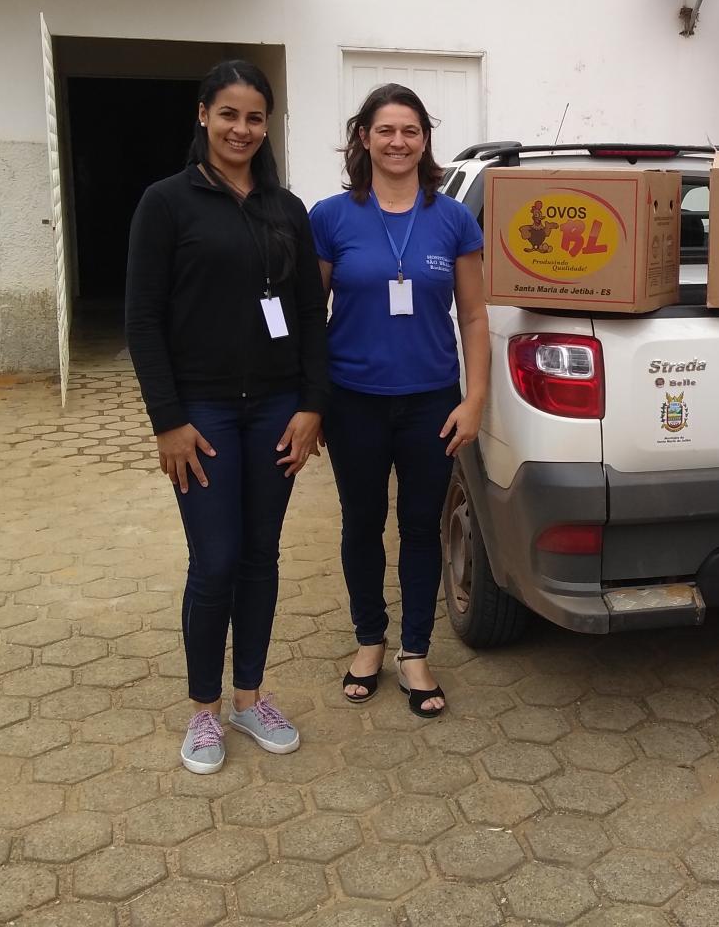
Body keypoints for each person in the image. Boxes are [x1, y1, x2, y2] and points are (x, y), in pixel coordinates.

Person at [125, 60, 328, 774]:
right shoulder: (166, 203)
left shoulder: (287, 209)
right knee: (214, 562)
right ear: (204, 115)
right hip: (203, 414)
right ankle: (204, 712)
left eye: (254, 118)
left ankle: (250, 698)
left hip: (275, 409)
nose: (241, 129)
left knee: (260, 556)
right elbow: (142, 320)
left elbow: (308, 313)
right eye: (229, 115)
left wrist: (311, 405)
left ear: (266, 126)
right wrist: (167, 420)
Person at [310, 83, 489, 719]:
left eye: (410, 131)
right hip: (353, 401)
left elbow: (472, 318)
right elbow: (310, 316)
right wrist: (312, 402)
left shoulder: (452, 217)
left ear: (424, 140)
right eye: (385, 130)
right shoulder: (330, 217)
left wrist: (475, 402)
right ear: (364, 138)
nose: (397, 142)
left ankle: (415, 652)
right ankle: (368, 641)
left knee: (419, 528)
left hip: (430, 403)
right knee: (361, 524)